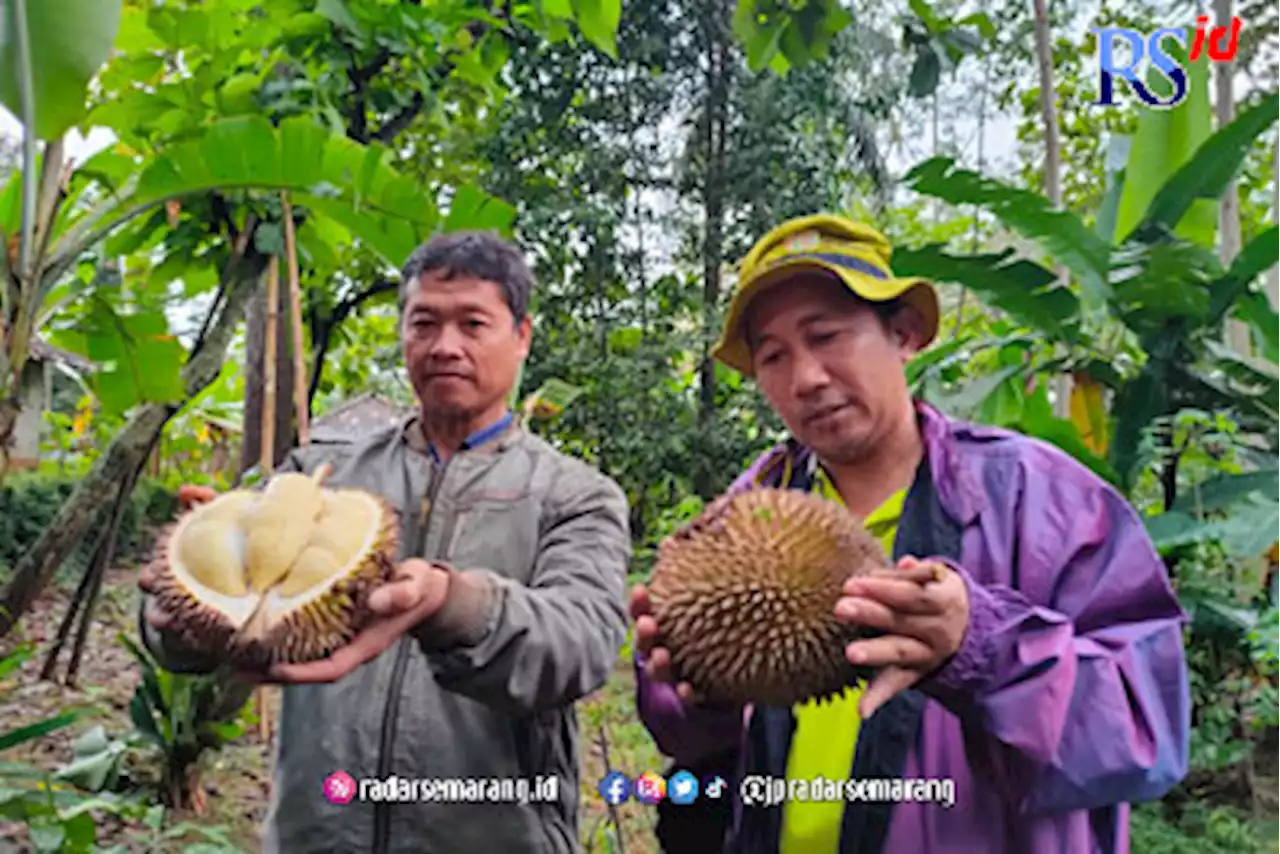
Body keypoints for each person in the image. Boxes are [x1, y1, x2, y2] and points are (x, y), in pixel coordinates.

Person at [629, 214, 1190, 854]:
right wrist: (692, 697)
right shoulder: (745, 510)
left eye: (827, 336)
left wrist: (979, 649)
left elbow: (1147, 732)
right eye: (774, 356)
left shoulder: (1047, 503)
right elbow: (696, 734)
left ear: (904, 334)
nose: (805, 378)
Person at [137, 230, 633, 853]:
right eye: (423, 322)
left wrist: (450, 604)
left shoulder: (574, 494)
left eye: (473, 324)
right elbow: (241, 608)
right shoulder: (316, 476)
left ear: (522, 336)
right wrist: (177, 622)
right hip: (319, 831)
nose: (445, 346)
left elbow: (579, 644)